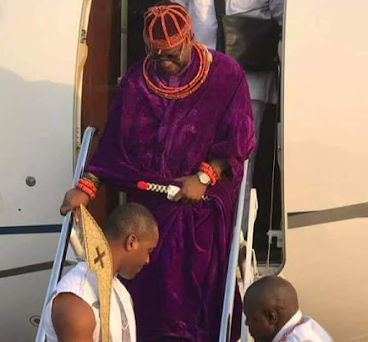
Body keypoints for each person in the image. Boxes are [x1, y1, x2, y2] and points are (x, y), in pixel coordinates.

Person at [60, 2, 255, 342]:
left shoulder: (226, 74)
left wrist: (204, 177)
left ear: (190, 37)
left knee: (189, 298)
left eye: (172, 53)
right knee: (148, 292)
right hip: (150, 205)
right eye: (157, 54)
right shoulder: (137, 80)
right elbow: (113, 145)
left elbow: (240, 142)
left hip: (201, 201)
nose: (165, 61)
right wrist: (87, 185)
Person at [172, 0, 285, 258]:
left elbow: (285, 18)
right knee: (194, 162)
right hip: (199, 82)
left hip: (249, 81)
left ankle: (236, 243)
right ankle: (198, 240)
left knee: (241, 166)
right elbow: (175, 16)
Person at [44, 203, 159, 342]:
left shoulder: (121, 292)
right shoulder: (76, 303)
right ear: (131, 242)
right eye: (149, 251)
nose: (147, 260)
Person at [243, 276, 334, 342]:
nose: (247, 323)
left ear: (271, 317)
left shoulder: (298, 339)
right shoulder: (306, 325)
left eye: (250, 317)